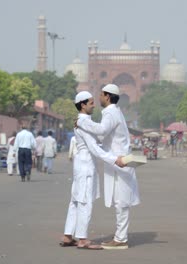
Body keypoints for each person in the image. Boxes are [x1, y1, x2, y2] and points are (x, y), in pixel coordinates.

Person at [76, 84, 140, 250]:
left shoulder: (111, 112)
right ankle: (120, 236)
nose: (98, 99)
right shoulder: (113, 112)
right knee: (120, 200)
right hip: (118, 160)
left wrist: (82, 123)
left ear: (108, 96)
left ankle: (120, 239)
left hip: (119, 161)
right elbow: (104, 135)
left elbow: (102, 129)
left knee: (121, 201)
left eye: (101, 95)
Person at [61, 91, 125, 250]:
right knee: (84, 201)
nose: (94, 105)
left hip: (81, 164)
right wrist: (114, 159)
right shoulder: (83, 122)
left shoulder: (82, 121)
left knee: (75, 201)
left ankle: (68, 236)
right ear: (82, 105)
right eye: (90, 103)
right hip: (86, 165)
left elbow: (97, 141)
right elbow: (94, 148)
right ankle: (82, 239)